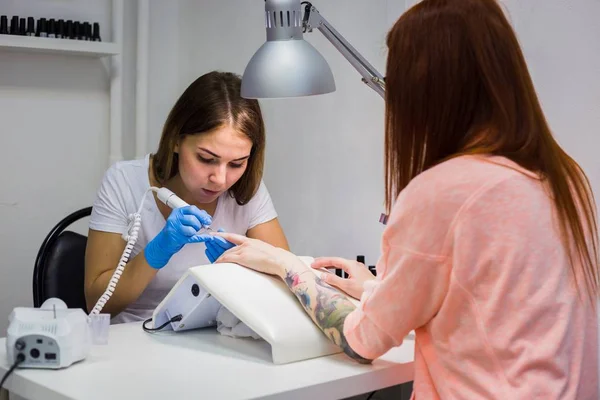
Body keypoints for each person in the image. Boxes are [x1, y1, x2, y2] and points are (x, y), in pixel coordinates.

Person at [213, 1, 599, 399]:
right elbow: (489, 307)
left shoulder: (443, 191)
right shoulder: (565, 178)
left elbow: (363, 341)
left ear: (424, 92)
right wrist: (376, 291)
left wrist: (288, 267)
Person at [84, 71, 289, 323]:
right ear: (176, 140)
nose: (221, 179)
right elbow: (96, 304)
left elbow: (290, 283)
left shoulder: (247, 190)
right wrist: (155, 253)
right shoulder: (124, 182)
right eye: (206, 159)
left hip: (215, 338)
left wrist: (239, 269)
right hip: (134, 339)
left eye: (237, 163)